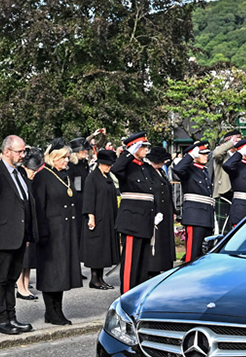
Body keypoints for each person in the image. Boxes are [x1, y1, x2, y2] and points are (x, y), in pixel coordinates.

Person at [0, 135, 35, 336]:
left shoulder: (19, 172)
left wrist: (28, 233)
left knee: (12, 278)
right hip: (2, 235)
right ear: (7, 151)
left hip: (18, 235)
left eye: (23, 151)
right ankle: (0, 319)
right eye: (19, 151)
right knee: (0, 278)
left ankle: (11, 316)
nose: (22, 155)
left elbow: (25, 203)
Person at [31, 141, 83, 325]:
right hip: (50, 232)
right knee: (51, 273)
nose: (66, 161)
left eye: (67, 157)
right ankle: (50, 311)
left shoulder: (65, 175)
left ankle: (58, 309)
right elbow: (38, 206)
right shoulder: (42, 176)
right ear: (54, 158)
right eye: (63, 158)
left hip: (65, 231)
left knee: (61, 273)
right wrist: (42, 232)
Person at [113, 132, 158, 293]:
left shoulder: (145, 167)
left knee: (141, 264)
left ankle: (136, 294)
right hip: (131, 221)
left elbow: (153, 192)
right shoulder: (127, 165)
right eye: (143, 146)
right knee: (130, 264)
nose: (146, 149)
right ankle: (126, 294)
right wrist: (128, 152)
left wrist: (157, 212)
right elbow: (116, 168)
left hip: (145, 219)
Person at [173, 141, 214, 264]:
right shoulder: (189, 169)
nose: (206, 156)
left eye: (207, 154)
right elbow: (177, 169)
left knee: (203, 253)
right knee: (192, 253)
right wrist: (190, 156)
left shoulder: (204, 171)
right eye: (202, 154)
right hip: (195, 217)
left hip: (206, 216)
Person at [82, 149, 119, 288]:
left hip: (107, 218)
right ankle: (94, 279)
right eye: (107, 164)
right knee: (96, 249)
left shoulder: (107, 177)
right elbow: (89, 199)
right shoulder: (92, 177)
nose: (109, 167)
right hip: (97, 218)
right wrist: (91, 217)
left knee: (104, 249)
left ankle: (101, 278)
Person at [15, 147, 44, 301]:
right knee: (23, 259)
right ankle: (20, 287)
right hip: (22, 223)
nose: (34, 173)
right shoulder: (20, 179)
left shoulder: (33, 181)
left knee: (29, 259)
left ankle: (26, 284)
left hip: (32, 223)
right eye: (32, 170)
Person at [145, 146, 176, 276]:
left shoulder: (162, 172)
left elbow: (169, 192)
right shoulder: (148, 172)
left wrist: (173, 210)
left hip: (166, 210)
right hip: (156, 210)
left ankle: (165, 264)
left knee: (165, 240)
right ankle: (154, 268)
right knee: (156, 241)